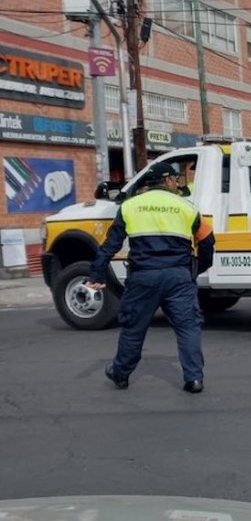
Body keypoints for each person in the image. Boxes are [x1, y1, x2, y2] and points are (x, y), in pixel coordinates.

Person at [86, 163, 216, 393]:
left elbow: (110, 245)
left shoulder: (129, 206)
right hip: (178, 277)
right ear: (166, 181)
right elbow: (207, 241)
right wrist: (196, 270)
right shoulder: (186, 207)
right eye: (175, 180)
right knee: (188, 327)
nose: (177, 184)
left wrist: (97, 273)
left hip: (143, 277)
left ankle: (121, 374)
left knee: (133, 328)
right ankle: (194, 379)